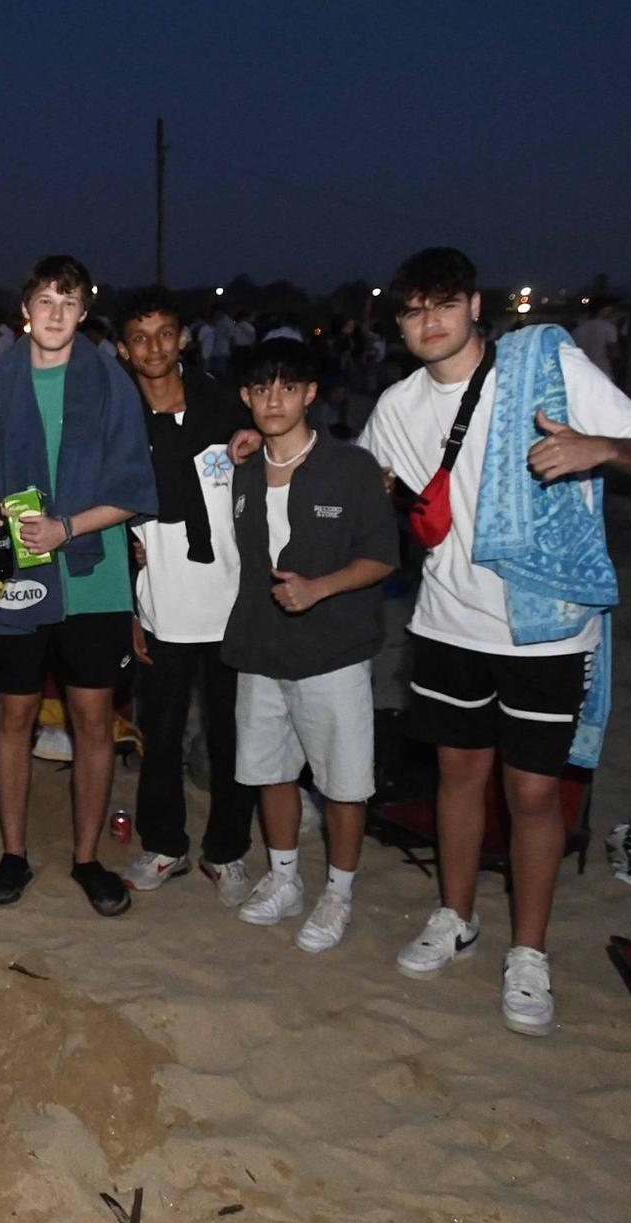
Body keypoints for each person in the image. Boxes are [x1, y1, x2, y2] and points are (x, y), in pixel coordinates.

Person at [361, 247, 631, 1034]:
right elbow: (354, 491)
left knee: (534, 792)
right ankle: (455, 914)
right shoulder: (396, 407)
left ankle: (529, 952)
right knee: (457, 777)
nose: (428, 323)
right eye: (412, 311)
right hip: (445, 623)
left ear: (474, 304)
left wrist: (598, 449)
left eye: (442, 304)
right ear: (399, 323)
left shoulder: (546, 368)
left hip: (545, 626)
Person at [0, 255, 157, 917]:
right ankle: (14, 853)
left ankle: (87, 858)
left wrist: (67, 527)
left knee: (92, 721)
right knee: (13, 715)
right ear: (26, 308)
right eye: (44, 300)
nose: (54, 314)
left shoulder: (111, 382)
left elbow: (134, 492)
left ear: (84, 311)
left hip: (94, 579)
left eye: (68, 302)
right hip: (16, 578)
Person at [219, 339, 397, 952]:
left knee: (344, 783)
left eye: (288, 388)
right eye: (262, 389)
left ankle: (339, 892)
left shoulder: (350, 468)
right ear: (246, 397)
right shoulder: (241, 468)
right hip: (261, 648)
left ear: (310, 394)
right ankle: (286, 878)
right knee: (271, 773)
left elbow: (383, 556)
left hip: (334, 651)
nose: (274, 400)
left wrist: (321, 588)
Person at [112, 286, 257, 903]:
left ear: (184, 339)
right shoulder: (119, 421)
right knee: (161, 733)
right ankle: (165, 843)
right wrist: (129, 605)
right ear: (123, 349)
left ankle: (227, 851)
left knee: (232, 735)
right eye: (140, 337)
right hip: (162, 604)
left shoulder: (225, 409)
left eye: (165, 333)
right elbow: (106, 509)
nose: (154, 347)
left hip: (230, 601)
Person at [572, 298, 624, 381]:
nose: (612, 312)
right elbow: (613, 353)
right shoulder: (608, 327)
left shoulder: (579, 328)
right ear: (603, 309)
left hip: (581, 371)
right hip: (601, 372)